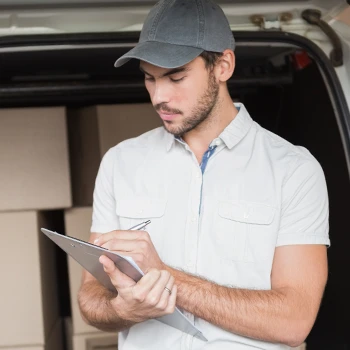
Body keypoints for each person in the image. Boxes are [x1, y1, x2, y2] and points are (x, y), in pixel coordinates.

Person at [78, 0, 330, 349]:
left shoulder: (294, 170)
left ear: (223, 65)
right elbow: (91, 297)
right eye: (149, 78)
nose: (159, 96)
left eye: (176, 77)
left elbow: (295, 320)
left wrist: (164, 278)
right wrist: (124, 308)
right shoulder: (120, 162)